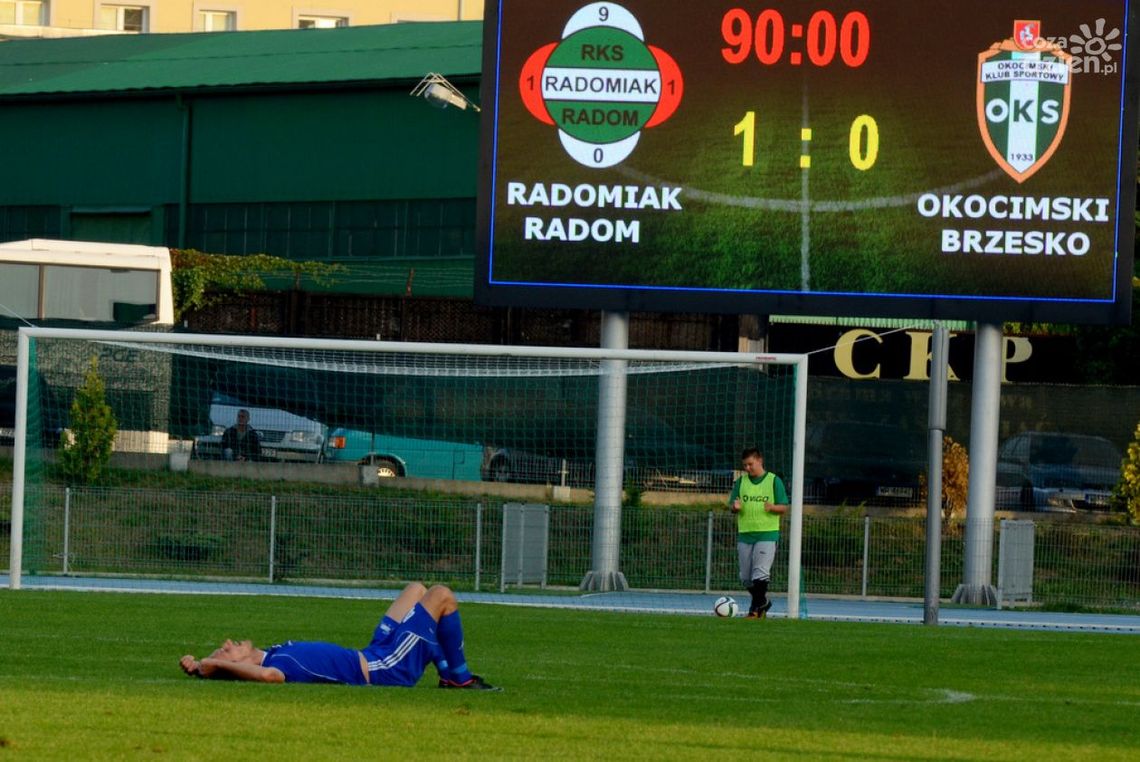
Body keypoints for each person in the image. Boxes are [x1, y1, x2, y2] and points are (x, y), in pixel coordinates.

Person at [178, 582, 500, 690]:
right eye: (225, 652)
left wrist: (201, 664)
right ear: (236, 666)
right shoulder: (276, 667)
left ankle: (445, 673)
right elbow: (268, 677)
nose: (227, 644)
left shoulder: (273, 652)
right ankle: (459, 679)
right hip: (385, 668)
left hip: (374, 651)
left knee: (416, 589)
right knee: (441, 595)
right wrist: (213, 664)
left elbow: (256, 666)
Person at [728, 448, 789, 618]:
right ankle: (763, 602)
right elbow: (732, 504)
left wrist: (772, 507)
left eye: (750, 464)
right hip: (745, 534)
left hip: (767, 534)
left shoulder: (773, 481)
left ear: (760, 461)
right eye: (745, 465)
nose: (747, 468)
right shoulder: (741, 482)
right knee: (746, 578)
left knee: (760, 573)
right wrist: (734, 507)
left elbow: (783, 506)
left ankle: (754, 610)